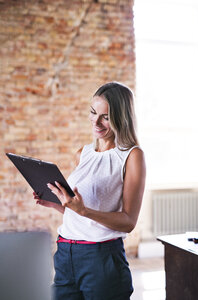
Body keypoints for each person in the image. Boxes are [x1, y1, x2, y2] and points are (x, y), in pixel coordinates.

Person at [33, 82, 146, 300]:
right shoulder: (82, 154)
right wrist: (57, 204)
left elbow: (128, 221)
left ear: (121, 118)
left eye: (105, 116)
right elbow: (81, 214)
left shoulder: (132, 156)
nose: (96, 121)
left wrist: (84, 211)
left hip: (101, 257)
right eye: (93, 112)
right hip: (65, 253)